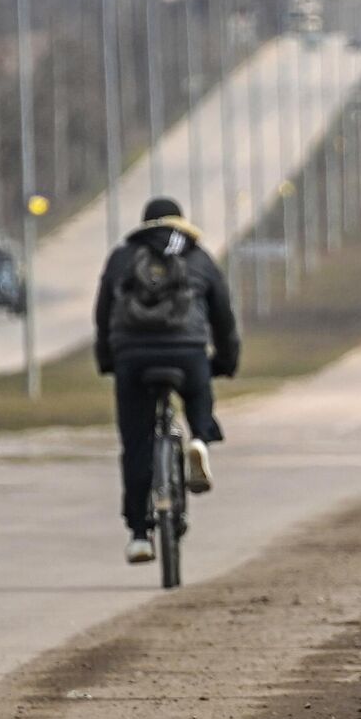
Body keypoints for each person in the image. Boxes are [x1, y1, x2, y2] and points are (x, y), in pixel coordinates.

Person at [95, 197, 241, 565]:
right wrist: (224, 362)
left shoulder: (123, 257)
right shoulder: (198, 257)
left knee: (136, 444)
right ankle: (200, 439)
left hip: (133, 356)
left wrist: (108, 360)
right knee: (197, 395)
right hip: (186, 352)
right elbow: (223, 317)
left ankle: (140, 534)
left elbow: (102, 315)